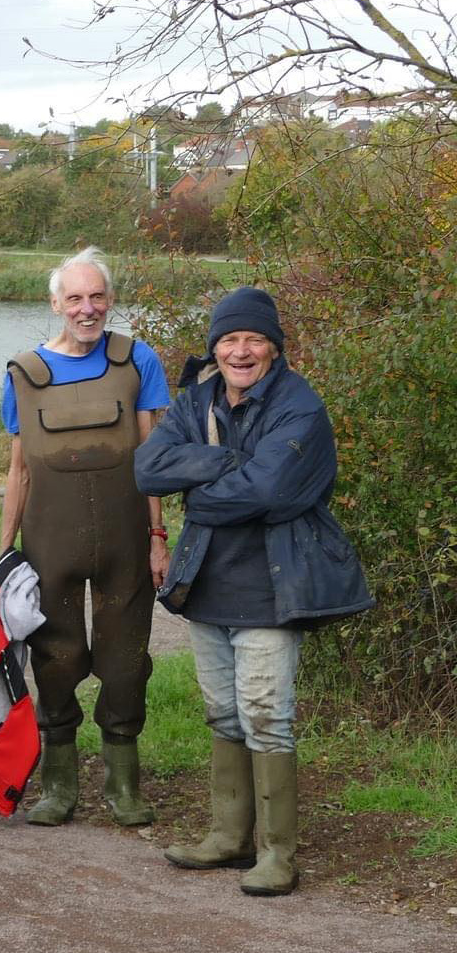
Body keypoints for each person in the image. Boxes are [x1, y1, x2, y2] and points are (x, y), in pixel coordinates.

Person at [135, 286, 371, 897]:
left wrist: (200, 488)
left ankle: (277, 855)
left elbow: (269, 491)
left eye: (254, 339)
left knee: (267, 717)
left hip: (273, 588)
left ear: (274, 347)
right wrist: (230, 462)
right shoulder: (197, 399)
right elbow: (148, 469)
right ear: (215, 347)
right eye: (230, 340)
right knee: (223, 712)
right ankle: (228, 836)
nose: (241, 352)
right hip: (208, 585)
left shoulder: (300, 406)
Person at [0, 248, 171, 828]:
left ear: (111, 301)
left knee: (126, 662)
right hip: (50, 544)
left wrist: (158, 536)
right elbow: (18, 470)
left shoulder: (138, 359)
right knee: (55, 658)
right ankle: (58, 787)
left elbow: (152, 459)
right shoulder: (23, 374)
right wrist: (3, 555)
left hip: (126, 541)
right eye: (74, 298)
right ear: (55, 304)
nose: (87, 308)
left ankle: (124, 786)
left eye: (97, 297)